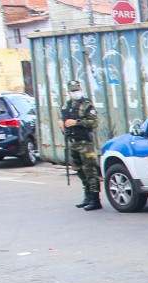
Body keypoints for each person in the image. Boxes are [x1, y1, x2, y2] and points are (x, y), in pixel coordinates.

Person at [59, 80, 102, 211]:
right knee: (79, 169)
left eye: (76, 90)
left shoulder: (86, 105)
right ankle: (87, 196)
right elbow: (64, 119)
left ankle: (95, 199)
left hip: (85, 142)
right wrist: (62, 123)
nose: (75, 93)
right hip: (73, 141)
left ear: (81, 89)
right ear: (68, 92)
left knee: (90, 170)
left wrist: (76, 122)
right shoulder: (67, 105)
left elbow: (94, 122)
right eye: (72, 91)